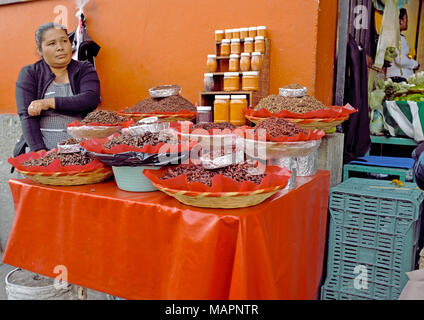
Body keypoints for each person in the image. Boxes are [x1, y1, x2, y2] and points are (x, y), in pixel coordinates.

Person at [14, 22, 100, 155]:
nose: (60, 47)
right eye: (52, 43)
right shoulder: (30, 73)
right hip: (44, 151)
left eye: (64, 41)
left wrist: (48, 102)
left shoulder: (84, 69)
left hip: (82, 151)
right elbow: (27, 116)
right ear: (40, 51)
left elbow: (90, 99)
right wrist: (40, 152)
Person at [386, 8, 420, 83]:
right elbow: (400, 60)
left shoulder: (396, 36)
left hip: (398, 77)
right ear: (400, 21)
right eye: (406, 19)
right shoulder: (396, 37)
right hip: (399, 78)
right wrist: (415, 64)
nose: (407, 22)